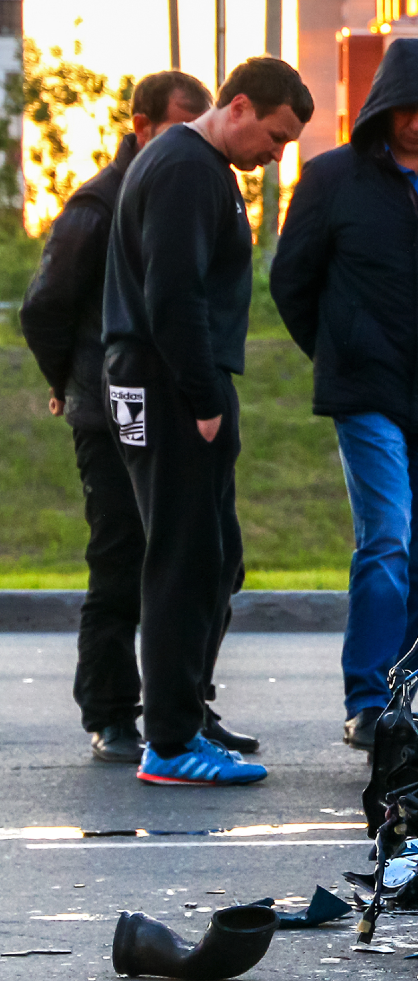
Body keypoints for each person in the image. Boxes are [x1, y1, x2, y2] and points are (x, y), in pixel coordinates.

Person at [270, 38, 418, 752]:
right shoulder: (331, 177)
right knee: (387, 543)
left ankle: (402, 704)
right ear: (384, 109)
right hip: (364, 391)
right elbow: (291, 281)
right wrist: (342, 351)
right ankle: (367, 701)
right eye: (409, 109)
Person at [101, 57, 311, 786]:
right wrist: (204, 401)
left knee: (215, 558)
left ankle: (185, 719)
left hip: (170, 379)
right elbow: (173, 294)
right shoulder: (189, 168)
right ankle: (170, 741)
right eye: (276, 136)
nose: (276, 155)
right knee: (184, 562)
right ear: (242, 105)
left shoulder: (194, 165)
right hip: (168, 385)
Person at [20, 71, 231, 764]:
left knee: (208, 558)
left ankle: (187, 705)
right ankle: (112, 712)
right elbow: (44, 307)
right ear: (139, 124)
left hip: (157, 401)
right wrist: (68, 382)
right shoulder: (96, 204)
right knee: (122, 558)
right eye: (176, 127)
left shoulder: (187, 187)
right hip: (105, 408)